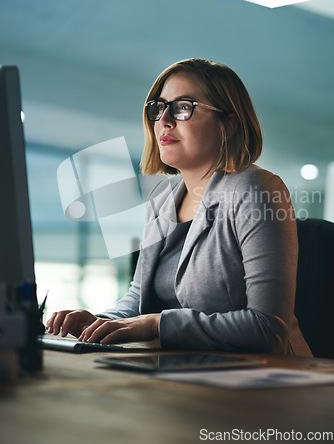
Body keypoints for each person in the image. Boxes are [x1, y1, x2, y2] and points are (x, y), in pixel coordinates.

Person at [46, 58, 312, 356]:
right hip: (184, 371)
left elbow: (267, 328)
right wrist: (102, 321)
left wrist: (157, 325)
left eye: (183, 107)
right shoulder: (162, 200)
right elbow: (139, 299)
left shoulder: (255, 188)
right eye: (158, 107)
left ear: (229, 123)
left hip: (266, 381)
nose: (164, 120)